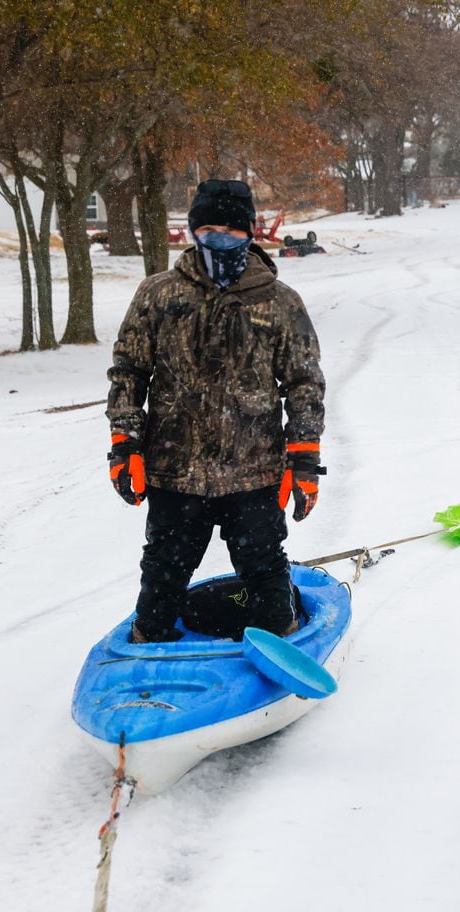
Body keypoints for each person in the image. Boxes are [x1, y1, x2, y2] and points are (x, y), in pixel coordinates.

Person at [105, 179, 326, 643]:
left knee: (267, 582)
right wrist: (124, 446)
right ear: (193, 231)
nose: (220, 238)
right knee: (161, 580)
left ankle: (279, 643)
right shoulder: (159, 296)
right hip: (174, 472)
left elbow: (303, 382)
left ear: (249, 233)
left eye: (231, 228)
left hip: (255, 475)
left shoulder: (279, 302)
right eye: (208, 228)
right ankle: (149, 649)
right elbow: (129, 371)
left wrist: (303, 458)